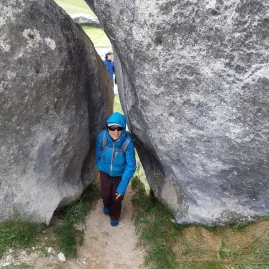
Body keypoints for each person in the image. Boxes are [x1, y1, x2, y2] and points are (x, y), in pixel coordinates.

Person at [96, 112, 136, 226]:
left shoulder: (127, 143)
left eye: (119, 128)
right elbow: (98, 152)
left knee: (117, 197)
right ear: (107, 127)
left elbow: (131, 166)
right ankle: (106, 205)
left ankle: (114, 215)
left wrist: (122, 188)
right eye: (112, 128)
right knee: (105, 194)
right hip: (105, 171)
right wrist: (100, 164)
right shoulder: (102, 137)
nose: (115, 131)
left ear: (123, 128)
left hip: (120, 174)